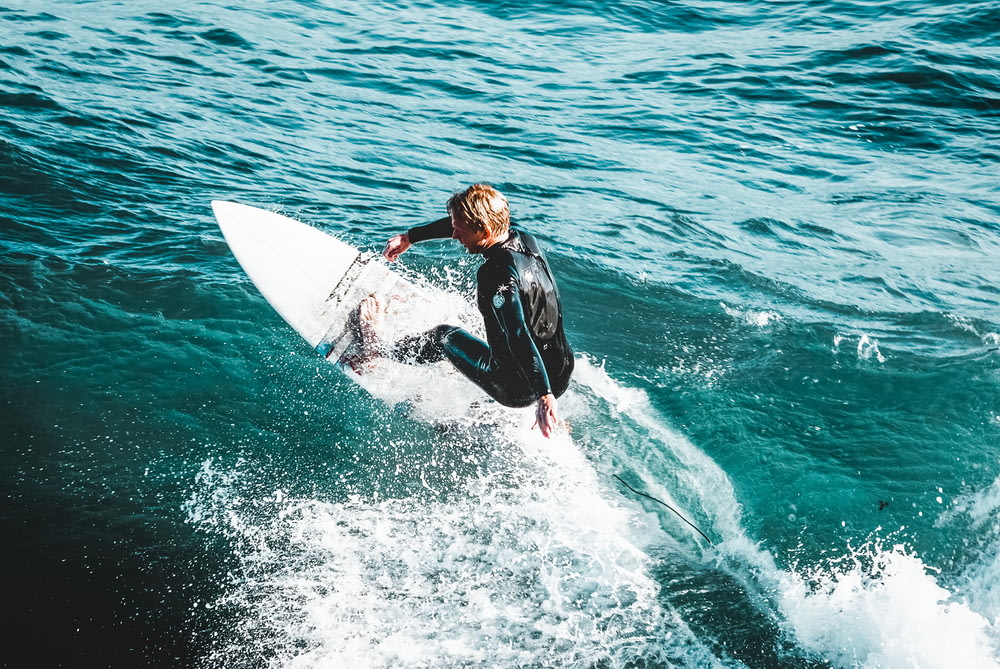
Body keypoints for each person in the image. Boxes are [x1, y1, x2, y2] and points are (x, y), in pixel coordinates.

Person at [358, 183, 574, 437]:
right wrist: (410, 237)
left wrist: (543, 395)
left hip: (515, 388)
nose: (456, 237)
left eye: (460, 232)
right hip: (560, 372)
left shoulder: (495, 274)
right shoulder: (526, 241)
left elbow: (518, 334)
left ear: (483, 230)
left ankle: (380, 350)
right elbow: (461, 225)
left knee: (444, 336)